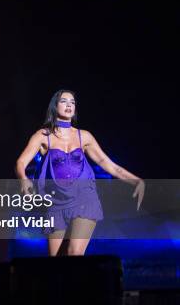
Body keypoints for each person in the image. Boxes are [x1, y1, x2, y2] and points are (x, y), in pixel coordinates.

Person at [15, 89, 145, 256]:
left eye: (72, 102)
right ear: (55, 106)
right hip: (56, 202)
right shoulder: (43, 136)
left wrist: (137, 180)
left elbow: (108, 164)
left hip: (84, 198)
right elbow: (20, 162)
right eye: (64, 101)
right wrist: (23, 179)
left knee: (74, 253)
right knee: (56, 262)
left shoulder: (84, 136)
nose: (69, 105)